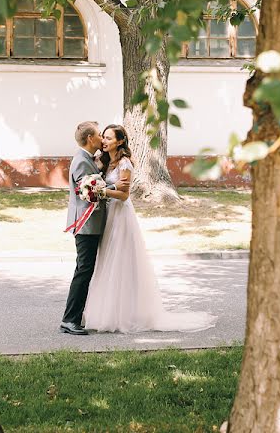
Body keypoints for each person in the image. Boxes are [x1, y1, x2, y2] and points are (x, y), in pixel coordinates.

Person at [83, 124, 216, 333]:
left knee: (120, 261)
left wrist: (101, 192)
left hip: (120, 215)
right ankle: (104, 311)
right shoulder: (105, 162)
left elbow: (124, 194)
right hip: (109, 215)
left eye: (109, 138)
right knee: (107, 261)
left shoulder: (125, 163)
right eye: (104, 137)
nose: (105, 141)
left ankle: (123, 315)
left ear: (120, 141)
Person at [59, 121, 127, 335]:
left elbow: (93, 184)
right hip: (86, 224)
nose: (101, 138)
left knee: (86, 269)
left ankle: (76, 317)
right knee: (84, 270)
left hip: (93, 223)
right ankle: (70, 320)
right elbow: (87, 191)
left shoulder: (89, 159)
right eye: (99, 135)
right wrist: (113, 187)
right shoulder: (81, 161)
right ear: (90, 138)